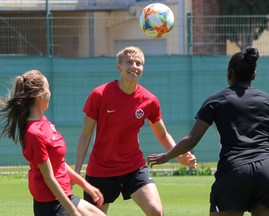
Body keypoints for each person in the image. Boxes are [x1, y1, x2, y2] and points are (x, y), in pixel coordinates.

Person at [147, 47, 269, 216]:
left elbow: (191, 140)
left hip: (235, 171)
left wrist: (166, 156)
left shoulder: (216, 100)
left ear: (229, 73)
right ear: (253, 74)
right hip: (267, 171)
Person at [74, 46, 197, 215]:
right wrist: (76, 173)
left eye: (138, 63)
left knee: (156, 211)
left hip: (133, 167)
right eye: (129, 62)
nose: (134, 66)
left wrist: (179, 155)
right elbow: (85, 135)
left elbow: (162, 134)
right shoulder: (99, 95)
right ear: (119, 67)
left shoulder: (149, 100)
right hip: (101, 170)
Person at [0, 70, 106, 216]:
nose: (50, 93)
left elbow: (59, 162)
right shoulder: (33, 134)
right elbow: (48, 178)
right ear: (40, 95)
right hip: (51, 205)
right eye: (48, 89)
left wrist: (87, 186)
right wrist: (72, 210)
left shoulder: (44, 122)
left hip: (64, 195)